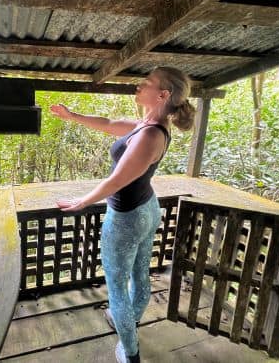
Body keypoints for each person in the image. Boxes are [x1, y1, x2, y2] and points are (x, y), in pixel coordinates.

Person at [51, 67, 196, 363]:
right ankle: (129, 320)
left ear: (163, 94)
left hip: (127, 219)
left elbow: (116, 181)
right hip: (147, 208)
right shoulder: (148, 126)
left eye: (148, 82)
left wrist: (83, 201)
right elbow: (107, 123)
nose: (139, 85)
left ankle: (130, 353)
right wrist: (73, 116)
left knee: (117, 289)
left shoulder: (149, 136)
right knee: (139, 276)